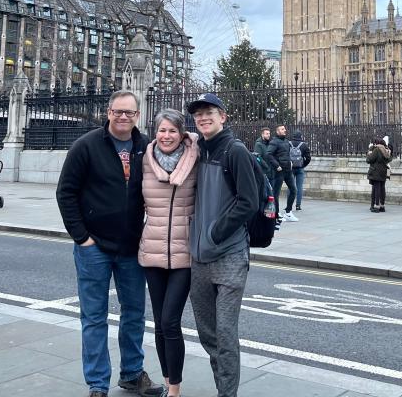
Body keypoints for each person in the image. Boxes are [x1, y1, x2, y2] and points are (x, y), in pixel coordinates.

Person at [56, 90, 158, 397]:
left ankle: (132, 374)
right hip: (94, 247)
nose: (123, 117)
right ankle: (98, 384)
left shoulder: (145, 147)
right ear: (108, 112)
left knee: (134, 314)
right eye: (118, 111)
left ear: (138, 116)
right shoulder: (86, 146)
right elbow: (66, 193)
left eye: (130, 112)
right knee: (94, 317)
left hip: (131, 247)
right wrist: (82, 238)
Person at [187, 92, 257, 397]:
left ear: (223, 116)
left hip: (229, 254)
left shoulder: (235, 150)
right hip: (199, 258)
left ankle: (227, 394)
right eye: (198, 114)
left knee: (226, 332)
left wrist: (216, 232)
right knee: (208, 333)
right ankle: (222, 386)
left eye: (209, 112)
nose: (203, 118)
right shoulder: (196, 151)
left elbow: (249, 202)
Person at [139, 108, 199, 397]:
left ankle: (174, 390)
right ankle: (167, 380)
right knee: (159, 324)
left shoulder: (197, 159)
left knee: (170, 321)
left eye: (172, 130)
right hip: (151, 251)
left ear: (182, 133)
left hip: (185, 254)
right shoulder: (145, 161)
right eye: (162, 130)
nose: (166, 136)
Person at [266, 124, 297, 221]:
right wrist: (277, 165)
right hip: (279, 171)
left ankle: (288, 212)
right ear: (277, 131)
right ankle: (276, 213)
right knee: (276, 193)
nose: (285, 130)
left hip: (288, 170)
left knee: (293, 190)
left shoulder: (287, 141)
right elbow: (268, 154)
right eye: (282, 129)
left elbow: (287, 154)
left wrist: (291, 161)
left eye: (284, 128)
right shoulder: (274, 142)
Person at [366, 138, 392, 213]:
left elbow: (369, 160)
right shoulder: (387, 150)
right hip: (384, 172)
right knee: (382, 188)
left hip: (376, 172)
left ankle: (376, 206)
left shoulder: (377, 150)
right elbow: (389, 159)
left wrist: (369, 153)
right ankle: (382, 206)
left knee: (377, 189)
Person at [288, 130, 311, 211]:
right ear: (300, 136)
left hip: (290, 168)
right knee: (299, 186)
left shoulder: (288, 143)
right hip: (300, 168)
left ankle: (289, 205)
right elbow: (308, 158)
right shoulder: (304, 145)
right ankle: (298, 205)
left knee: (290, 186)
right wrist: (303, 165)